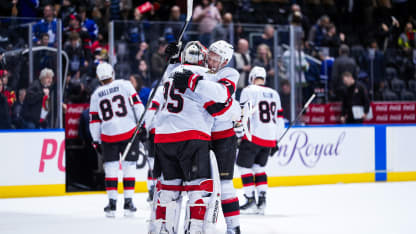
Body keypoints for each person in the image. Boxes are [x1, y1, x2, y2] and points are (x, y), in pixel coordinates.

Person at [173, 40, 242, 234]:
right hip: (201, 135)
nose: (211, 59)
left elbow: (219, 101)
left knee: (226, 184)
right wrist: (173, 58)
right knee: (199, 185)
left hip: (223, 136)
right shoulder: (200, 70)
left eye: (216, 57)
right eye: (210, 54)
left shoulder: (229, 73)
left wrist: (194, 84)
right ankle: (195, 226)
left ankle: (233, 227)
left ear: (225, 61)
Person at [89, 62, 145, 217]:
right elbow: (138, 106)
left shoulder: (96, 95)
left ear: (99, 78)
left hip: (108, 136)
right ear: (112, 73)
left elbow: (94, 121)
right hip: (128, 133)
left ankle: (112, 203)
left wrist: (96, 140)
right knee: (129, 167)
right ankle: (128, 202)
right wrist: (143, 125)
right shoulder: (125, 85)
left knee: (111, 169)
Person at [237, 66, 284, 215]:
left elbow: (243, 114)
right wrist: (276, 139)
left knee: (244, 167)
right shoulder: (274, 93)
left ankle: (250, 199)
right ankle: (262, 201)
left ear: (252, 78)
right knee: (259, 168)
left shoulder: (248, 90)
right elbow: (280, 119)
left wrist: (239, 134)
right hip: (269, 138)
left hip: (253, 136)